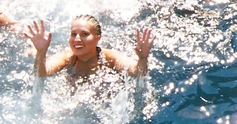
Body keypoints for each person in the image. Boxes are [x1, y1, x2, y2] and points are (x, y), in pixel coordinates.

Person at [24, 15, 154, 78]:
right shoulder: (67, 57)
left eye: (84, 34)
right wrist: (41, 52)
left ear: (97, 38)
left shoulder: (109, 57)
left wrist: (143, 58)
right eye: (73, 34)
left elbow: (137, 72)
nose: (77, 39)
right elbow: (41, 74)